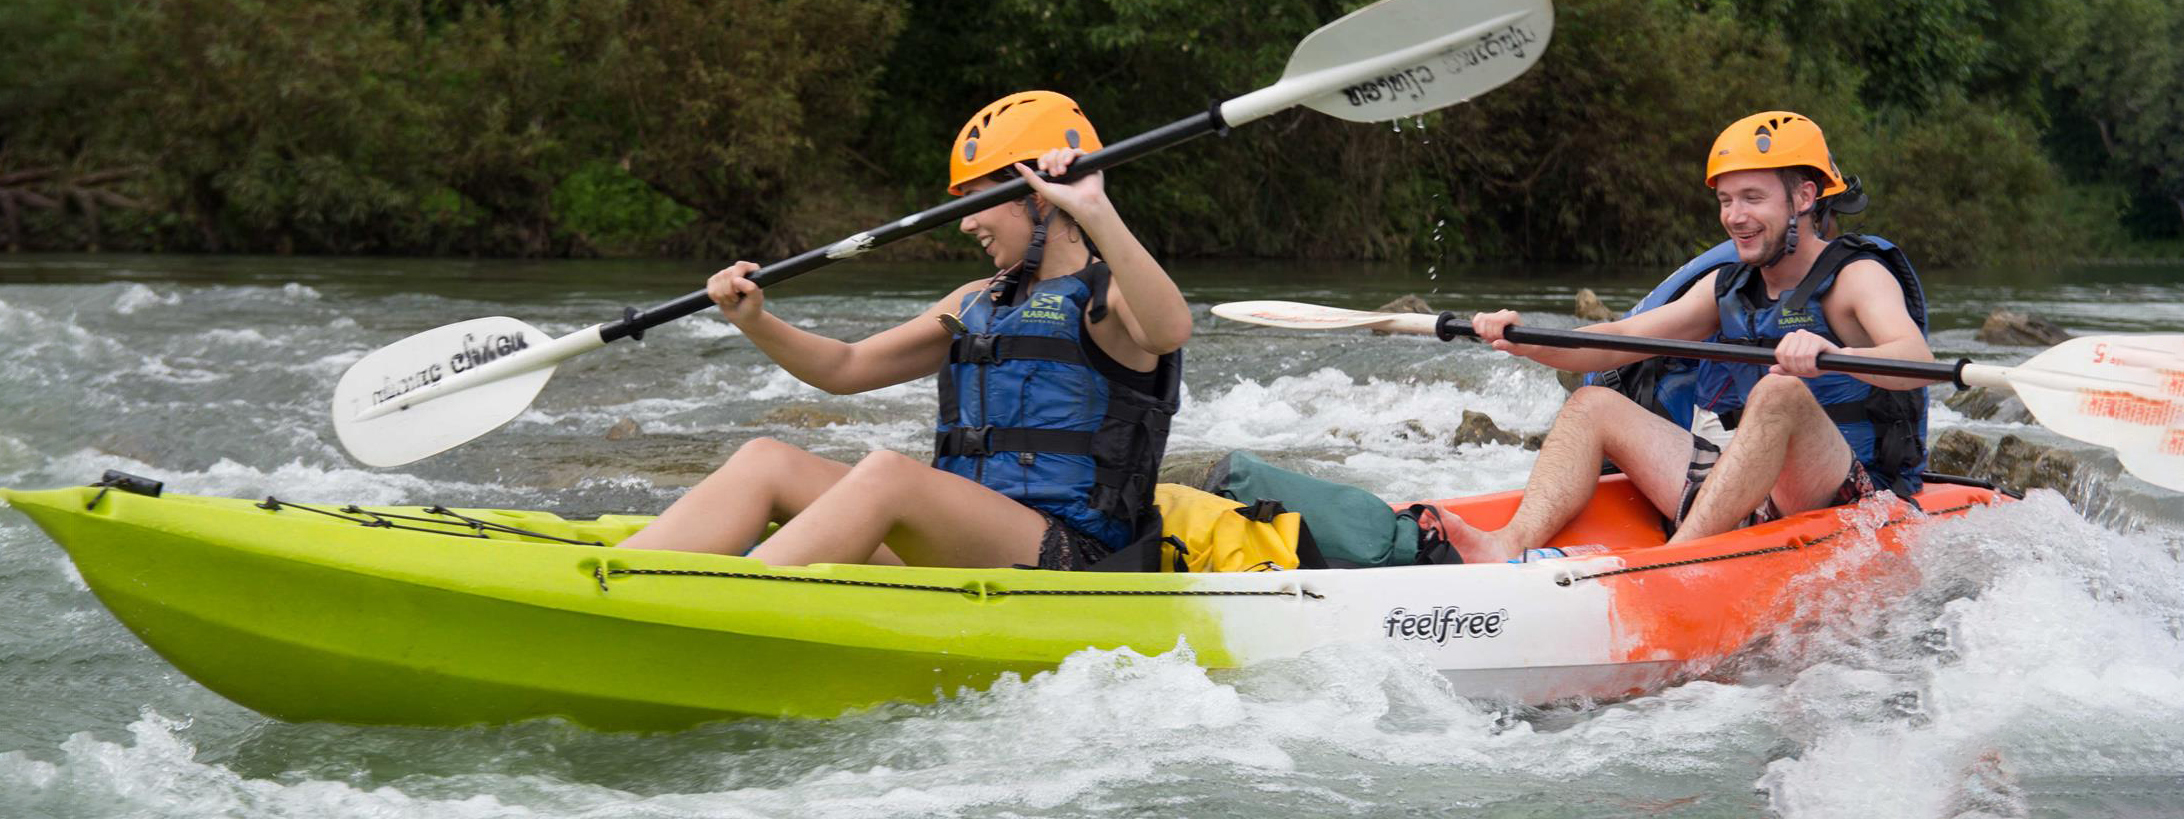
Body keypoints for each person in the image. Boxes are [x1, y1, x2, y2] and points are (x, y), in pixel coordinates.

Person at [617, 91, 1190, 569]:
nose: (965, 223)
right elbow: (845, 369)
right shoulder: (975, 302)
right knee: (768, 458)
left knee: (891, 474)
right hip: (964, 539)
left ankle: (722, 605)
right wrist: (755, 321)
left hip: (1073, 557)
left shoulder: (1108, 296)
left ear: (1038, 200)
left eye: (975, 201)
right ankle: (619, 579)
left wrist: (1094, 209)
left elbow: (1169, 330)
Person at [1446, 111, 1936, 564]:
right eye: (1725, 200)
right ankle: (1507, 545)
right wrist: (1522, 338)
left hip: (1852, 493)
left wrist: (1837, 355)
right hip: (1759, 489)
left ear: (1805, 198)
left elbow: (1915, 356)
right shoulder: (1729, 287)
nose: (1734, 216)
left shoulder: (1857, 276)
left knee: (1779, 392)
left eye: (1752, 198)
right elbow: (1622, 337)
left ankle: (1676, 560)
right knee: (1591, 404)